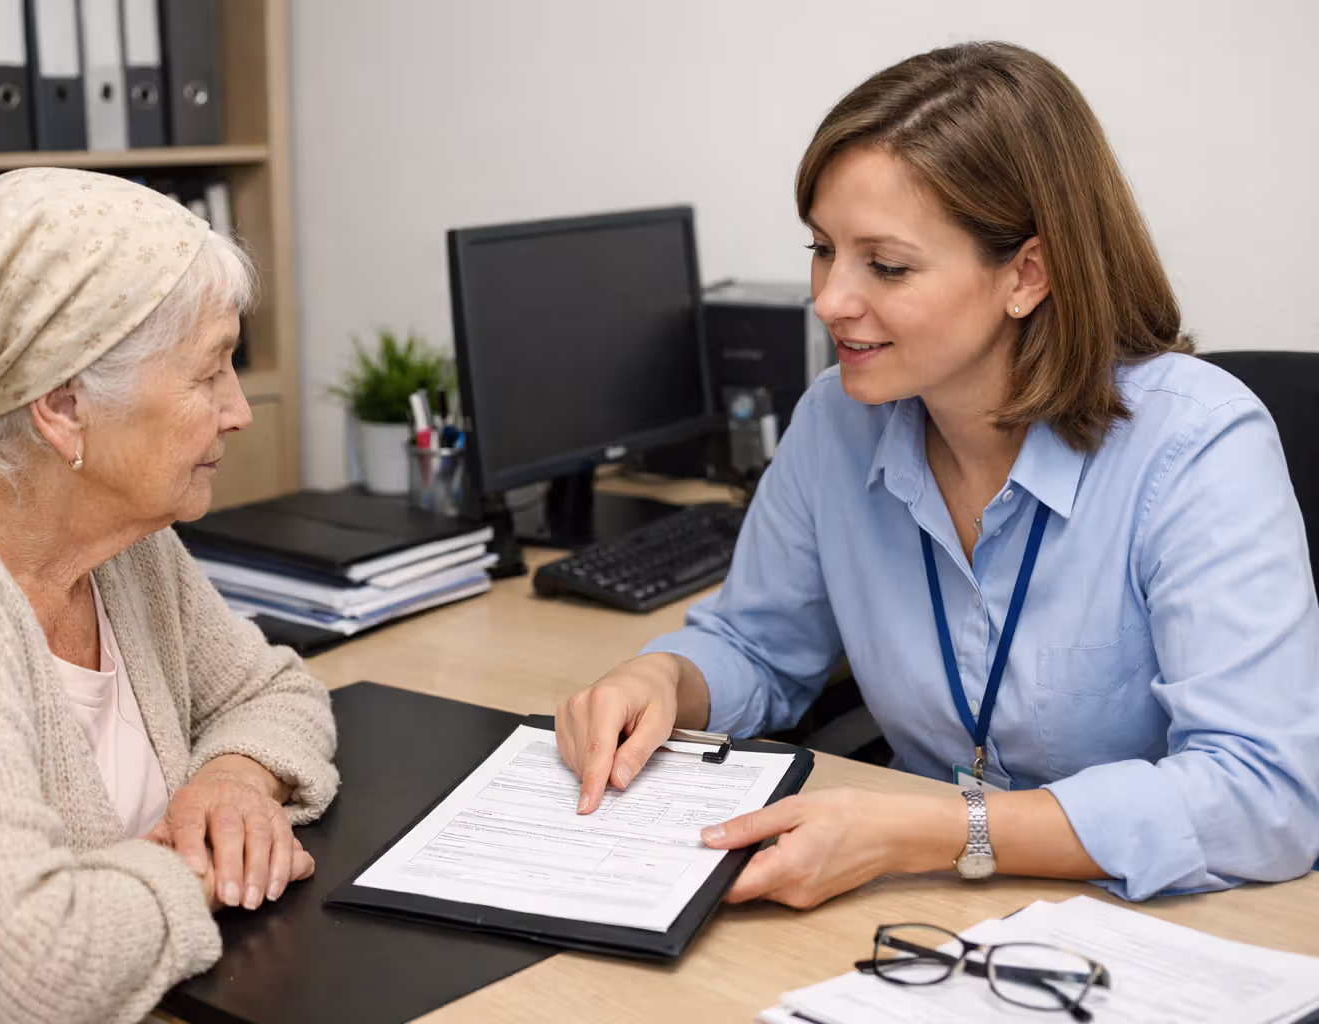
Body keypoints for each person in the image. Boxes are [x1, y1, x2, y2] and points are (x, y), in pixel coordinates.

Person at [556, 42, 1319, 910]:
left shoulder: (1194, 445)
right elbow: (756, 647)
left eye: (886, 265)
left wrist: (937, 830)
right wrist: (666, 680)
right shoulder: (836, 422)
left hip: (1152, 923)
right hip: (915, 915)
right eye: (822, 249)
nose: (831, 299)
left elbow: (1264, 796)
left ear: (1026, 274)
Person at [0, 168, 339, 1024]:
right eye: (208, 372)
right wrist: (194, 874)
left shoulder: (116, 535)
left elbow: (270, 691)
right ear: (65, 407)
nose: (239, 411)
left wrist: (232, 782)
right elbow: (13, 981)